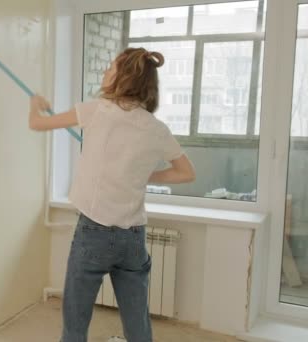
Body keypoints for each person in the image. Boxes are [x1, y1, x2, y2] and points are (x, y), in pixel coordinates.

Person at [28, 48, 196, 342]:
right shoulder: (157, 129)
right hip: (133, 236)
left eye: (111, 68)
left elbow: (37, 123)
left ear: (125, 77)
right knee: (137, 319)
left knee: (76, 320)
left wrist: (35, 103)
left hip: (93, 231)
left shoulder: (96, 110)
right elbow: (186, 172)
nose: (105, 72)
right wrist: (146, 175)